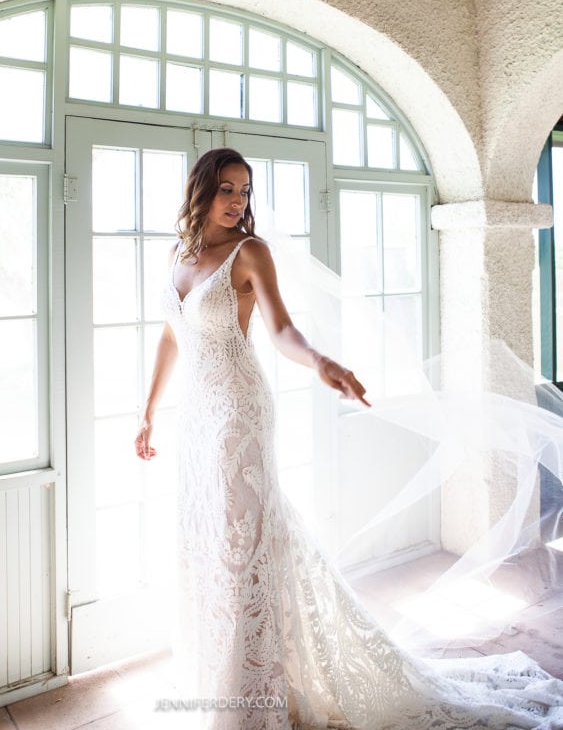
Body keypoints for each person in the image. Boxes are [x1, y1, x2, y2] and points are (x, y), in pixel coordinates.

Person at [134, 148, 563, 730]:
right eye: (227, 189)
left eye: (244, 190)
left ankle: (250, 692)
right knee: (208, 542)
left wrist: (321, 362)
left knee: (243, 548)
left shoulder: (250, 252)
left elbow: (281, 328)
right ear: (201, 190)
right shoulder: (177, 255)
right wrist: (148, 411)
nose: (237, 201)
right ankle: (223, 676)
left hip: (238, 412)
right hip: (195, 419)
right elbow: (171, 336)